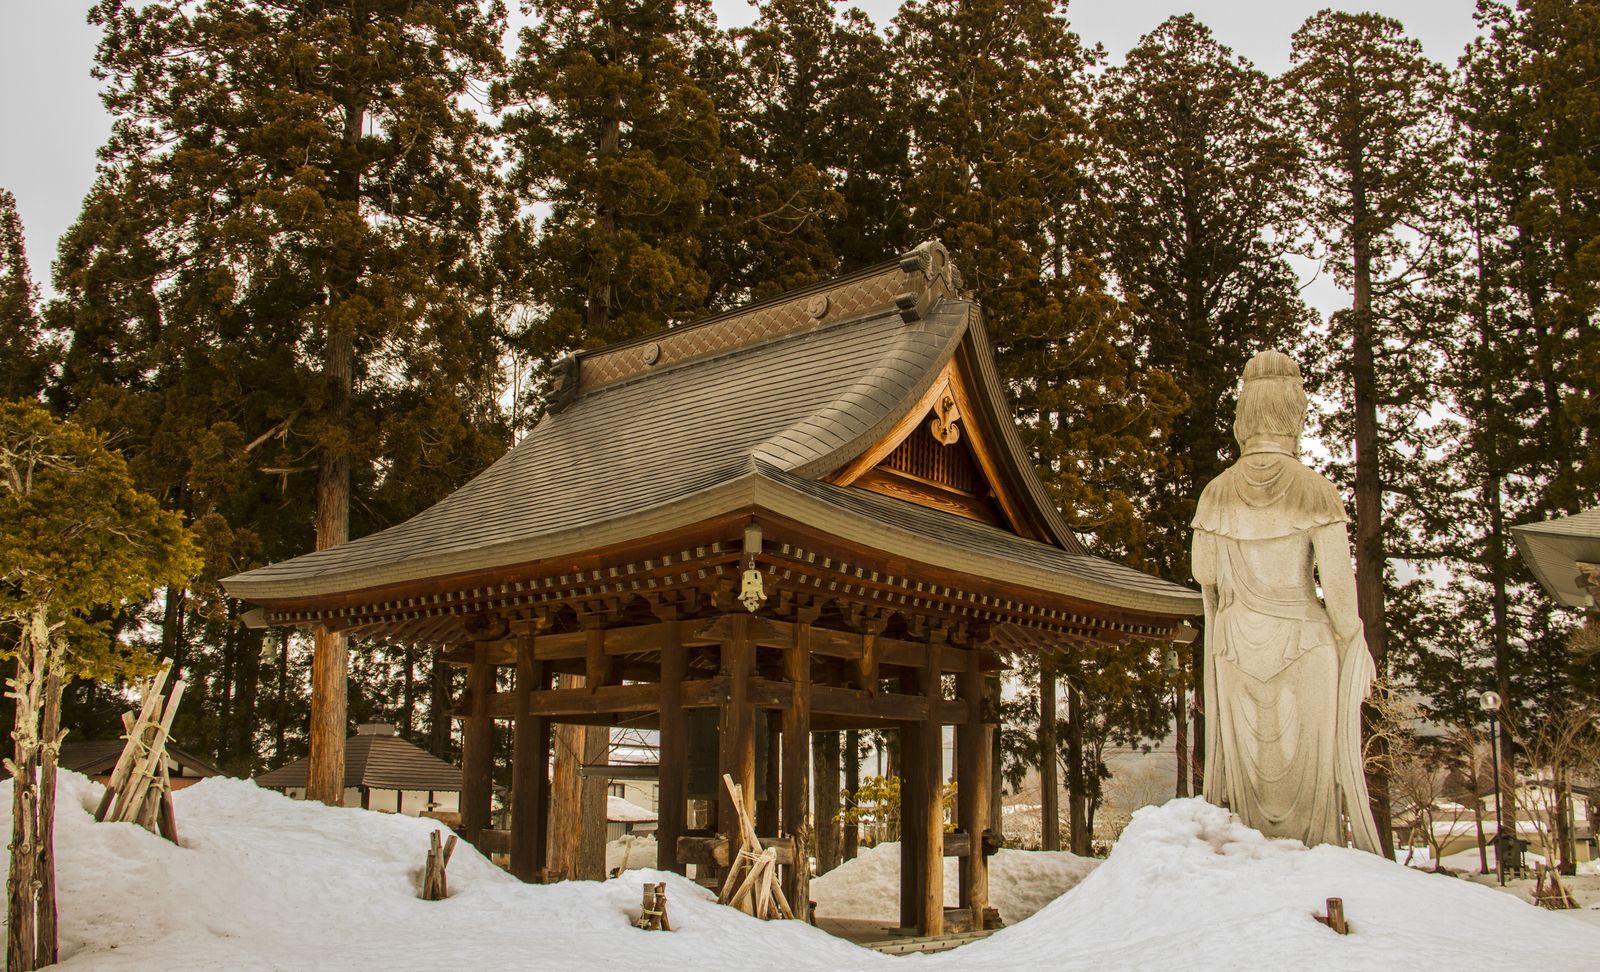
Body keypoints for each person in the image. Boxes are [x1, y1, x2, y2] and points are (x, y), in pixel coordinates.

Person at [1190, 350, 1382, 852]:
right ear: (1295, 414)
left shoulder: (1216, 493)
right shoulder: (1316, 491)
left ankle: (1249, 858)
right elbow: (1340, 593)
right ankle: (1317, 857)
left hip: (1235, 642)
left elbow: (1203, 572)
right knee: (1311, 779)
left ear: (1243, 416)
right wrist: (1352, 637)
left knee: (1248, 783)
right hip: (1303, 638)